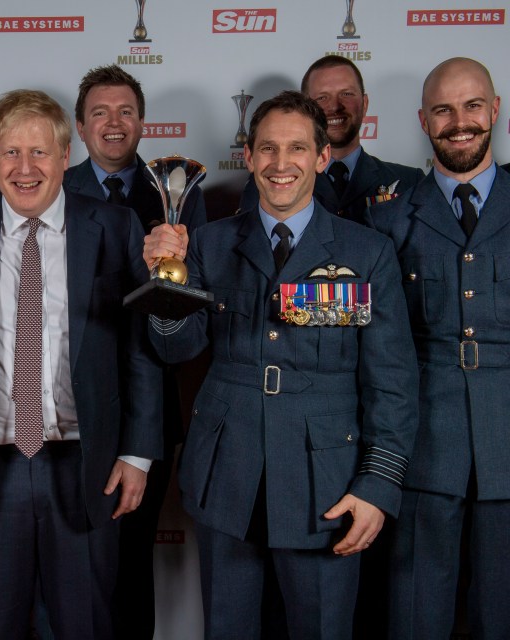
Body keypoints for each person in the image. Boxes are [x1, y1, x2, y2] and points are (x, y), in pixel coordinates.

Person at [145, 90, 418, 640]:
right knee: (229, 627)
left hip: (327, 479)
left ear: (322, 157)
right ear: (248, 157)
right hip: (229, 472)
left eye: (297, 148)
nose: (280, 163)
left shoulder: (368, 253)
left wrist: (377, 487)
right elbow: (175, 349)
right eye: (267, 148)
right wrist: (161, 281)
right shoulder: (209, 243)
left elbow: (393, 384)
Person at [0, 89, 162, 639]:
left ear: (65, 155)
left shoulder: (116, 228)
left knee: (85, 624)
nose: (25, 169)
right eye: (10, 153)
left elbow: (140, 351)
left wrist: (138, 452)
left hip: (86, 465)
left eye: (39, 153)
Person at [63, 63, 206, 639]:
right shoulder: (51, 187)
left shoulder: (178, 189)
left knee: (131, 563)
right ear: (79, 126)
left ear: (143, 122)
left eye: (125, 111)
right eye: (100, 112)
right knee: (70, 564)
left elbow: (194, 298)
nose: (114, 123)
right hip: (67, 407)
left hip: (150, 404)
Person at [370, 57, 510, 640]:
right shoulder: (388, 215)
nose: (460, 122)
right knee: (415, 616)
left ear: (495, 111)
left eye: (473, 106)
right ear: (423, 120)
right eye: (445, 110)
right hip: (422, 446)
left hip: (509, 445)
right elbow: (368, 340)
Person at [239, 56, 424, 224]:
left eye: (346, 94)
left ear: (365, 103)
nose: (335, 106)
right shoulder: (273, 180)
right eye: (322, 97)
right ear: (306, 108)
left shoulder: (409, 181)